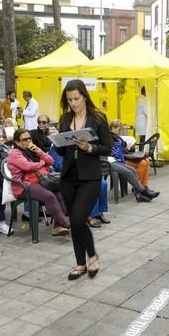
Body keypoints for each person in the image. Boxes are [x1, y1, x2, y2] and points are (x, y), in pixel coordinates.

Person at [56, 79, 112, 280]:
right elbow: (62, 152)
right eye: (70, 99)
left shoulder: (98, 118)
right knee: (74, 222)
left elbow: (108, 147)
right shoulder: (65, 119)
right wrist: (58, 140)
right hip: (68, 176)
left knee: (80, 219)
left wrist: (90, 148)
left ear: (85, 97)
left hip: (90, 176)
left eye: (76, 98)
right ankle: (80, 263)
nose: (73, 103)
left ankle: (92, 255)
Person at [7, 128, 71, 236]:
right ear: (17, 142)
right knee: (49, 196)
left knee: (62, 193)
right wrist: (42, 163)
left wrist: (39, 151)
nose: (28, 141)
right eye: (24, 139)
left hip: (41, 182)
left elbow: (51, 161)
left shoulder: (32, 150)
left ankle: (57, 226)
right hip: (25, 186)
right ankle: (66, 223)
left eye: (29, 138)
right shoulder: (15, 153)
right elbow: (27, 166)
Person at [108, 119, 159, 201]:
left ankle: (140, 191)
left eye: (121, 129)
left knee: (141, 165)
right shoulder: (108, 138)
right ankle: (143, 191)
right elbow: (112, 150)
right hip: (114, 160)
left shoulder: (119, 139)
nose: (120, 132)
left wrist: (129, 147)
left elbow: (125, 150)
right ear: (112, 128)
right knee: (136, 167)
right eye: (119, 130)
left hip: (119, 160)